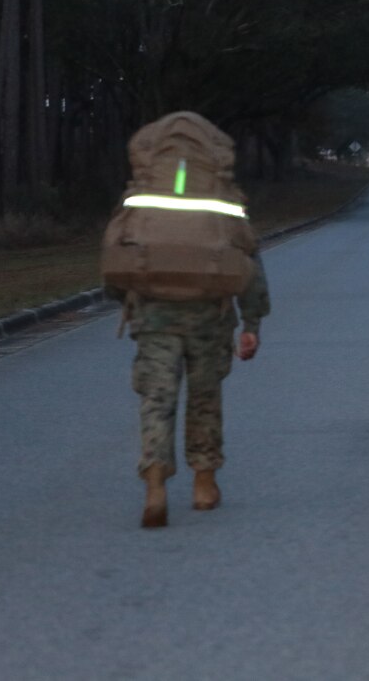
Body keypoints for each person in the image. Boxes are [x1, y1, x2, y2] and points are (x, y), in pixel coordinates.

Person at [103, 111, 271, 529]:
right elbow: (249, 262)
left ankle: (156, 482)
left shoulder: (140, 197)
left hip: (154, 313)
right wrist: (251, 323)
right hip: (209, 316)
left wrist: (128, 297)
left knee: (156, 400)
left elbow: (115, 257)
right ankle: (203, 484)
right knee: (204, 398)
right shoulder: (224, 200)